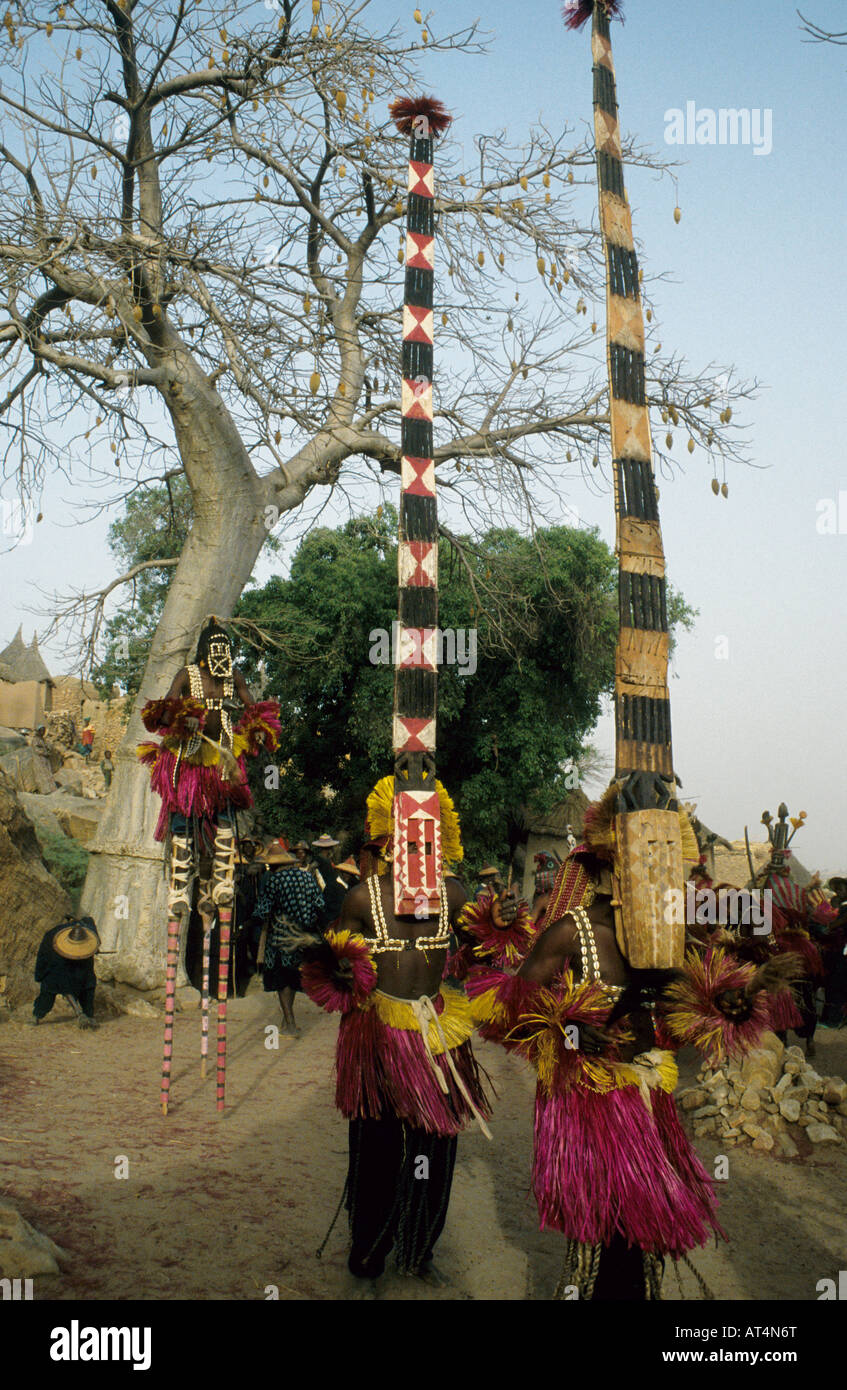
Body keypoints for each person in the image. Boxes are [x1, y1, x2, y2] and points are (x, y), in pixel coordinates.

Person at [466, 783, 801, 1300]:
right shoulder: (570, 933)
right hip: (590, 1098)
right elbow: (506, 1014)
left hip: (648, 1096)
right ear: (607, 866)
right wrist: (571, 1029)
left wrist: (722, 1007)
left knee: (640, 1242)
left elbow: (685, 1018)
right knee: (600, 1236)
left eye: (667, 865)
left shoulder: (671, 935)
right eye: (645, 862)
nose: (661, 877)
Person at [301, 777, 514, 1288]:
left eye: (429, 836)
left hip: (439, 1036)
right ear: (389, 837)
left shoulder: (457, 894)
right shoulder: (361, 898)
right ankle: (368, 1254)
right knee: (375, 1146)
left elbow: (485, 956)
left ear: (442, 836)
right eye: (409, 836)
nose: (419, 845)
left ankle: (419, 1248)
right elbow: (331, 972)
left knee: (434, 1148)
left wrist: (499, 928)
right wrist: (338, 968)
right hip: (377, 1035)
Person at [254, 845, 328, 1036]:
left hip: (281, 937)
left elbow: (263, 911)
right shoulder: (307, 877)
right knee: (293, 977)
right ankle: (288, 1018)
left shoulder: (274, 881)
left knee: (282, 979)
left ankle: (290, 1023)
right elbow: (320, 904)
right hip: (304, 936)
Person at [30, 916, 101, 1028]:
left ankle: (89, 1016)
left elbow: (94, 936)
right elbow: (45, 963)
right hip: (56, 967)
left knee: (88, 984)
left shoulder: (89, 931)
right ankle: (37, 1015)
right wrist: (78, 1012)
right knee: (50, 988)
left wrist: (94, 949)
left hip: (83, 962)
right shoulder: (52, 941)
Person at [28, 724, 56, 794]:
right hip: (39, 761)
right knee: (42, 776)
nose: (43, 732)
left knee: (48, 775)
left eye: (44, 731)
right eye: (42, 731)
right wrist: (45, 752)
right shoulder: (35, 740)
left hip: (44, 760)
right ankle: (45, 791)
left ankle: (51, 790)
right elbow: (37, 750)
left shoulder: (42, 739)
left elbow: (46, 747)